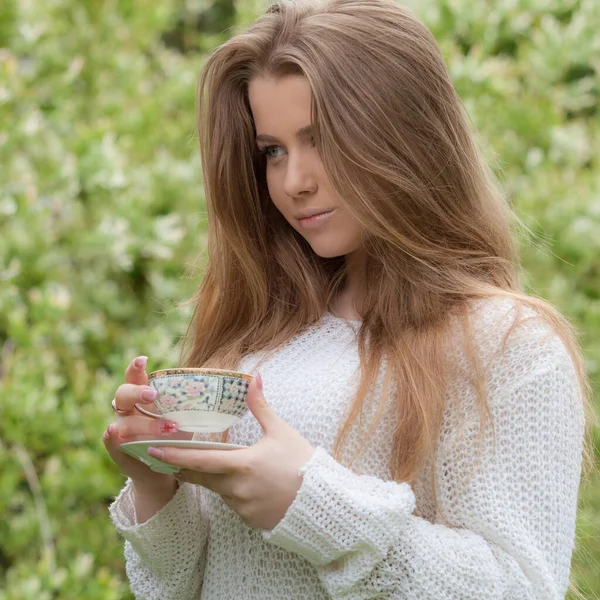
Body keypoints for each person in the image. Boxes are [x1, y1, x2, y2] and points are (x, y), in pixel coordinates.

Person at [102, 0, 594, 598]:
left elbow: (519, 588)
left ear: (405, 136)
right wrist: (158, 483)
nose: (294, 181)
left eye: (321, 139)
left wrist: (311, 505)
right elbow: (177, 587)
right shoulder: (263, 333)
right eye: (273, 150)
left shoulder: (508, 341)